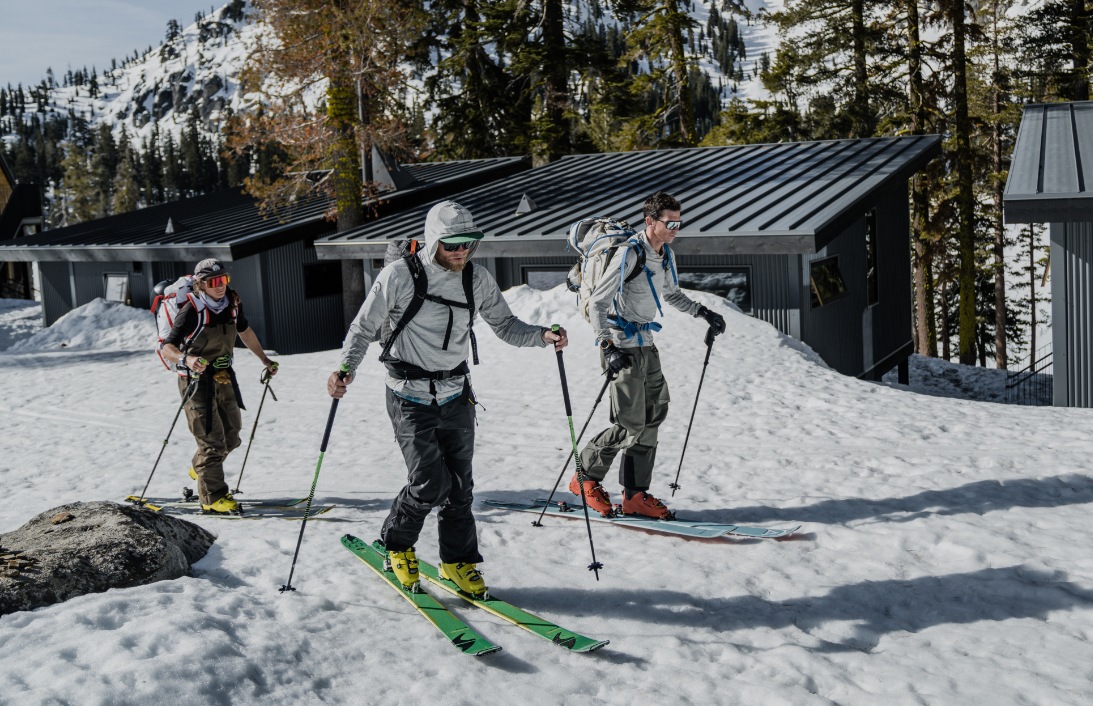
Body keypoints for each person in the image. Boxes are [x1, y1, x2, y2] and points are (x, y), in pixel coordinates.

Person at [327, 200, 568, 597]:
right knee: (428, 483)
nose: (460, 251)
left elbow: (506, 326)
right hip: (408, 394)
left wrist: (543, 335)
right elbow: (362, 326)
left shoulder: (476, 278)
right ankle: (396, 546)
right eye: (452, 243)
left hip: (456, 392)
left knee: (460, 488)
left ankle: (458, 562)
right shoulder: (400, 275)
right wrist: (344, 370)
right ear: (434, 239)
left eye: (468, 243)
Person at [570, 191, 725, 520]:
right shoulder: (629, 253)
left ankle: (635, 495)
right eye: (670, 223)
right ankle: (584, 478)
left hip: (646, 343)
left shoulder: (665, 254)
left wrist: (704, 313)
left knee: (653, 417)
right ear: (650, 221)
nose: (675, 229)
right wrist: (606, 346)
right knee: (629, 424)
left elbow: (671, 294)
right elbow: (598, 303)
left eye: (679, 223)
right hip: (620, 345)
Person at [159, 258, 280, 514]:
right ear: (201, 284)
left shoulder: (232, 305)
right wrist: (186, 359)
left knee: (232, 436)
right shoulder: (192, 309)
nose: (220, 286)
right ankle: (213, 499)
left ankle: (201, 467)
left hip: (223, 376)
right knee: (211, 442)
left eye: (224, 280)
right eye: (214, 282)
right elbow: (167, 347)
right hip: (195, 382)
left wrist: (265, 359)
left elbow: (244, 331)